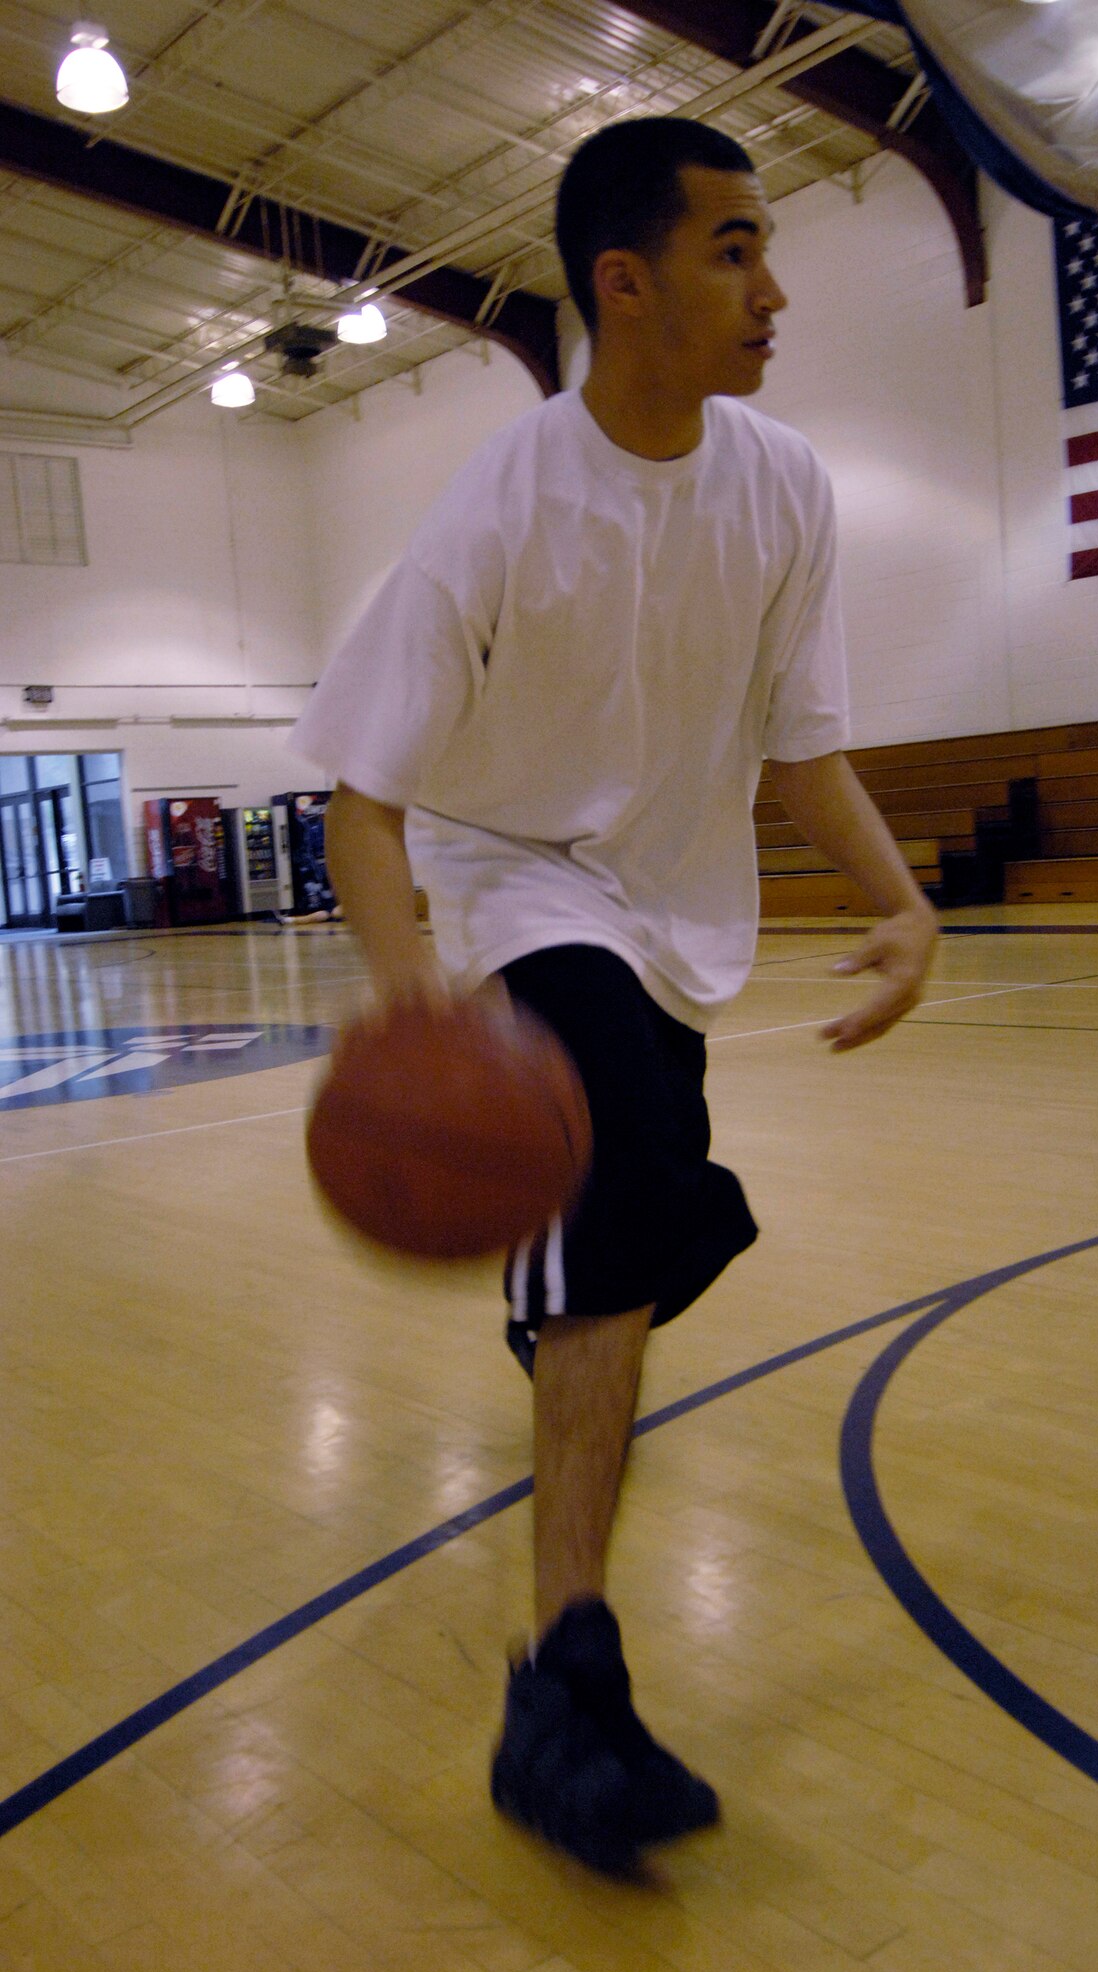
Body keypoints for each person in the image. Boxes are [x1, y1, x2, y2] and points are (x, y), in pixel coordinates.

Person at [289, 116, 938, 1876]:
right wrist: (422, 1002)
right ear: (624, 282)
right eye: (736, 250)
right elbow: (362, 790)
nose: (775, 290)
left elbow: (805, 750)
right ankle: (563, 1682)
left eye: (770, 246)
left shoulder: (782, 487)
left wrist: (902, 904)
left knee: (631, 1247)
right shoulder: (499, 505)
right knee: (608, 1209)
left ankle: (571, 1333)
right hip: (514, 897)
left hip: (677, 924)